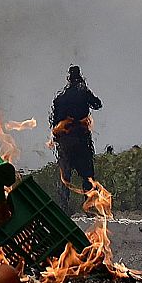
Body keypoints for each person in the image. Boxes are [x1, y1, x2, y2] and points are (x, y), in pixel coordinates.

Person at [50, 65, 103, 213]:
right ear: (79, 77)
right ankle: (89, 208)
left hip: (65, 142)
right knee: (87, 175)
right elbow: (98, 104)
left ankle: (63, 208)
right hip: (81, 140)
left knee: (65, 176)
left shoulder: (60, 98)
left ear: (68, 78)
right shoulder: (83, 92)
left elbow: (54, 123)